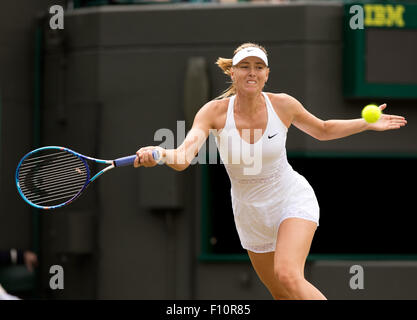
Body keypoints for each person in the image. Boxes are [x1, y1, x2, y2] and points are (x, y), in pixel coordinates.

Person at [133, 43, 407, 300]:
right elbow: (183, 157)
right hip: (250, 213)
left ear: (266, 74)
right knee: (283, 295)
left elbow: (322, 130)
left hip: (291, 198)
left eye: (258, 67)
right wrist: (159, 154)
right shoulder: (213, 112)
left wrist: (365, 123)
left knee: (287, 275)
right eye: (244, 66)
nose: (251, 72)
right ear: (232, 72)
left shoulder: (283, 104)